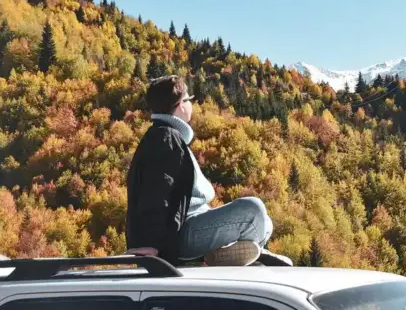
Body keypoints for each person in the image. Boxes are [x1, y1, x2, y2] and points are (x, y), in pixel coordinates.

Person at [125, 75, 292, 267]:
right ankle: (249, 257)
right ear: (181, 105)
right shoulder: (165, 139)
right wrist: (151, 244)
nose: (191, 104)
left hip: (191, 226)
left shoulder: (166, 137)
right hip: (182, 233)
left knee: (266, 222)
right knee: (253, 210)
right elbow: (155, 191)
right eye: (189, 99)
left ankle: (237, 254)